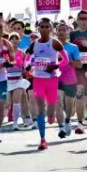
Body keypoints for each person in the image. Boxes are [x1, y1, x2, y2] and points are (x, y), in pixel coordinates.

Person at [26, 18, 65, 150]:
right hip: (38, 80)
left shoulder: (55, 43)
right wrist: (28, 68)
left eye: (47, 26)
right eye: (42, 26)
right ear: (38, 29)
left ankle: (51, 117)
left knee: (50, 115)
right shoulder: (34, 44)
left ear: (51, 29)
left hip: (52, 80)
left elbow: (65, 60)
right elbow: (27, 60)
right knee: (40, 107)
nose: (44, 29)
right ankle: (42, 139)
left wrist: (55, 66)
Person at [55, 21, 83, 138]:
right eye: (59, 30)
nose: (61, 32)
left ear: (68, 32)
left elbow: (79, 64)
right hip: (56, 77)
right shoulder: (51, 46)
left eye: (64, 30)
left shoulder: (73, 47)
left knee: (69, 104)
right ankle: (61, 127)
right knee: (58, 102)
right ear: (56, 32)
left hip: (70, 78)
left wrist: (67, 60)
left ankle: (67, 120)